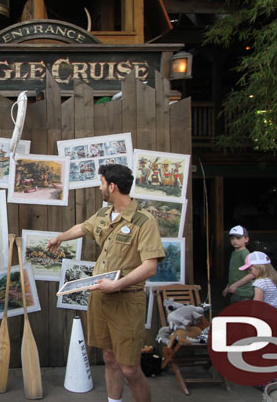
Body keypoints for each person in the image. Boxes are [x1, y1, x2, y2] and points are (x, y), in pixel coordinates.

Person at [47, 164, 165, 402]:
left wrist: (117, 285)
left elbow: (150, 266)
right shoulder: (103, 214)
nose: (99, 187)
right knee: (109, 358)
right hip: (101, 297)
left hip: (127, 300)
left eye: (101, 182)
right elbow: (83, 227)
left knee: (130, 368)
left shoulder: (144, 221)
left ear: (111, 186)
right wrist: (60, 237)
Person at [238, 251, 277, 382]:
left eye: (251, 269)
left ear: (259, 267)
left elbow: (257, 305)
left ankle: (263, 379)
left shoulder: (260, 284)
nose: (250, 272)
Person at [221, 225, 253, 303]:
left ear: (246, 239)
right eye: (232, 238)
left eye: (238, 238)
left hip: (244, 293)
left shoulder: (245, 253)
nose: (235, 241)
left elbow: (252, 273)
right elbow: (235, 273)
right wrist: (228, 286)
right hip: (236, 292)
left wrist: (235, 285)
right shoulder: (234, 253)